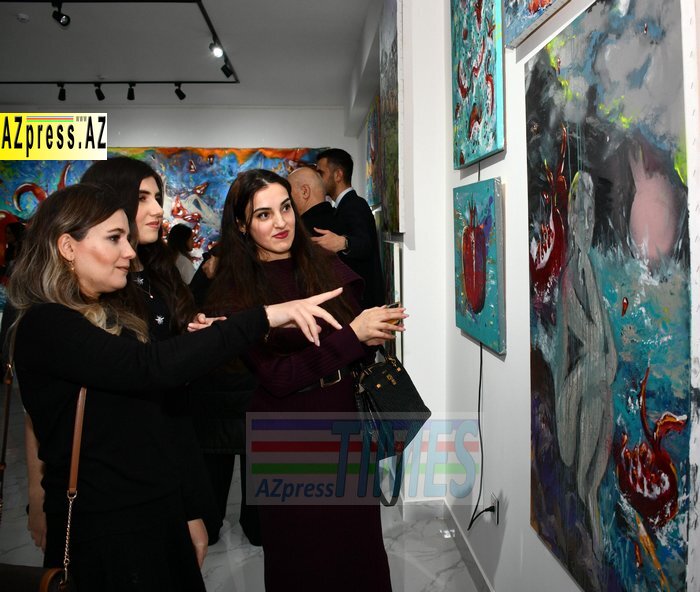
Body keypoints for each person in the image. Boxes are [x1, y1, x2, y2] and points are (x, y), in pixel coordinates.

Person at [8, 182, 342, 592]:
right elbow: (151, 368)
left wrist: (186, 509)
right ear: (67, 247)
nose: (129, 252)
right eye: (114, 238)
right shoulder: (46, 325)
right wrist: (263, 317)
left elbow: (159, 408)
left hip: (155, 512)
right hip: (108, 532)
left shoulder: (110, 312)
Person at [205, 169, 405, 591]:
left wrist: (372, 330)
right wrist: (353, 336)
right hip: (285, 431)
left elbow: (349, 342)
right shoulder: (235, 291)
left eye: (285, 208)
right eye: (263, 214)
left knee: (359, 547)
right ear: (241, 225)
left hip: (344, 415)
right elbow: (279, 377)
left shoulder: (321, 263)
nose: (281, 222)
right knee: (301, 554)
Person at [315, 148, 385, 308]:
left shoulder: (355, 204)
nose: (318, 180)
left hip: (364, 303)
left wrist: (343, 243)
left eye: (321, 173)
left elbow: (365, 244)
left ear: (338, 175)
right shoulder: (343, 206)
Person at [288, 165, 338, 236]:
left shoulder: (299, 232)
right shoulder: (343, 218)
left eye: (289, 193)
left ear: (305, 192)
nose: (288, 199)